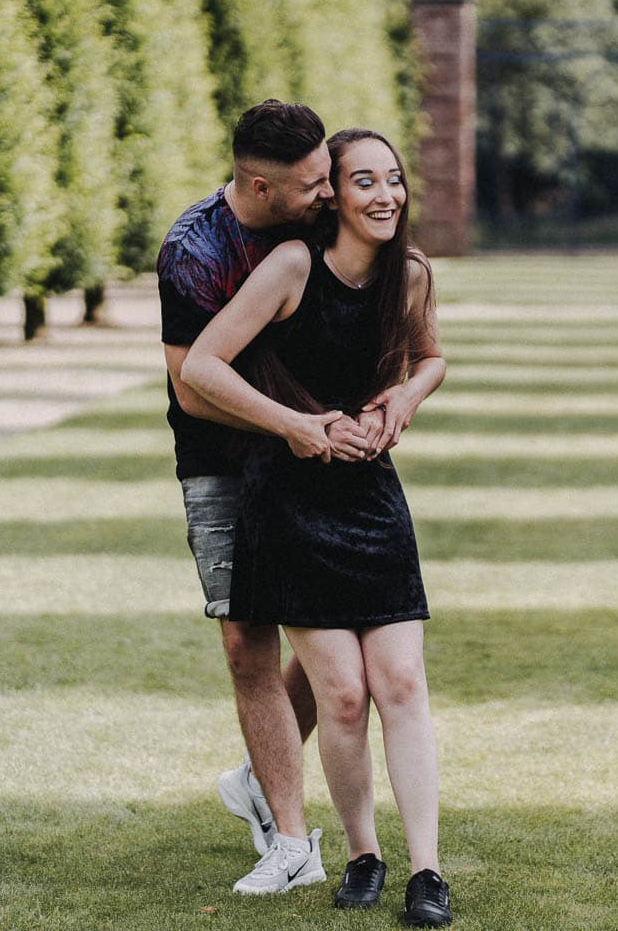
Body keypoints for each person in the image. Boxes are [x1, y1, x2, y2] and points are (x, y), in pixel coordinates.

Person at [180, 128, 451, 926]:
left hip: (370, 498)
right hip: (289, 502)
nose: (384, 195)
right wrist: (293, 424)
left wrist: (404, 398)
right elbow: (202, 365)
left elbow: (431, 358)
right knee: (340, 696)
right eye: (364, 180)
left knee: (400, 681)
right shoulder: (294, 267)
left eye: (394, 179)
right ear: (331, 193)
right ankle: (363, 854)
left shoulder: (411, 274)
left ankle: (426, 873)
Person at [158, 100, 381, 895]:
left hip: (316, 459)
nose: (329, 193)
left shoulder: (318, 224)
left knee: (335, 652)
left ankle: (260, 774)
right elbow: (193, 390)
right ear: (260, 186)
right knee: (247, 643)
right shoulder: (194, 252)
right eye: (314, 182)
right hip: (223, 463)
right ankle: (292, 840)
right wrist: (287, 423)